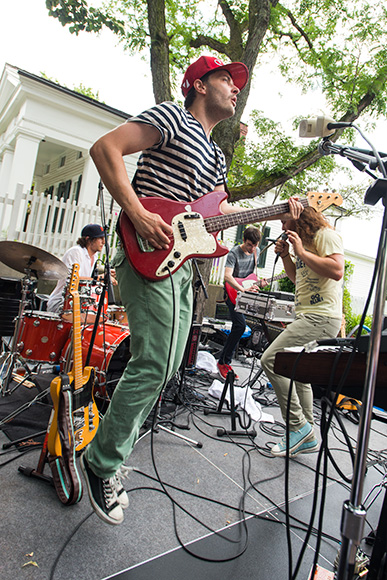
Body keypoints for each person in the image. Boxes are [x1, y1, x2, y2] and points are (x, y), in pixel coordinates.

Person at [80, 55, 255, 525]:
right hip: (144, 251)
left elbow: (208, 226)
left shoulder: (217, 156)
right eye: (225, 79)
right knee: (154, 360)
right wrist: (137, 213)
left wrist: (277, 213)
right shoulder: (172, 115)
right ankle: (101, 463)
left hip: (178, 266)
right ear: (198, 84)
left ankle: (108, 450)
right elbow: (105, 148)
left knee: (167, 364)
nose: (235, 88)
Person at [260, 197, 344, 457]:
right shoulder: (304, 244)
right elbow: (299, 278)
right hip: (309, 315)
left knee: (272, 360)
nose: (283, 225)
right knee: (299, 374)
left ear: (298, 216)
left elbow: (337, 270)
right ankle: (306, 435)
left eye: (285, 219)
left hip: (321, 317)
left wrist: (302, 253)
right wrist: (288, 255)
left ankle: (297, 426)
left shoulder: (325, 234)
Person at [217, 226, 267, 379]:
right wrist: (241, 289)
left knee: (243, 327)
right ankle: (223, 362)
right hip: (232, 292)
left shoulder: (256, 252)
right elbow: (227, 276)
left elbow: (251, 276)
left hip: (246, 293)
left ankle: (225, 360)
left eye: (255, 245)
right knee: (239, 326)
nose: (252, 248)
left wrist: (258, 283)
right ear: (244, 240)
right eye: (250, 245)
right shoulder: (234, 253)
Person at [46, 223, 105, 317]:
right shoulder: (76, 252)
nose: (103, 242)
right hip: (62, 302)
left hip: (80, 304)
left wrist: (101, 277)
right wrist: (98, 279)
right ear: (88, 239)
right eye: (100, 238)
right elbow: (73, 280)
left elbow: (87, 280)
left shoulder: (95, 256)